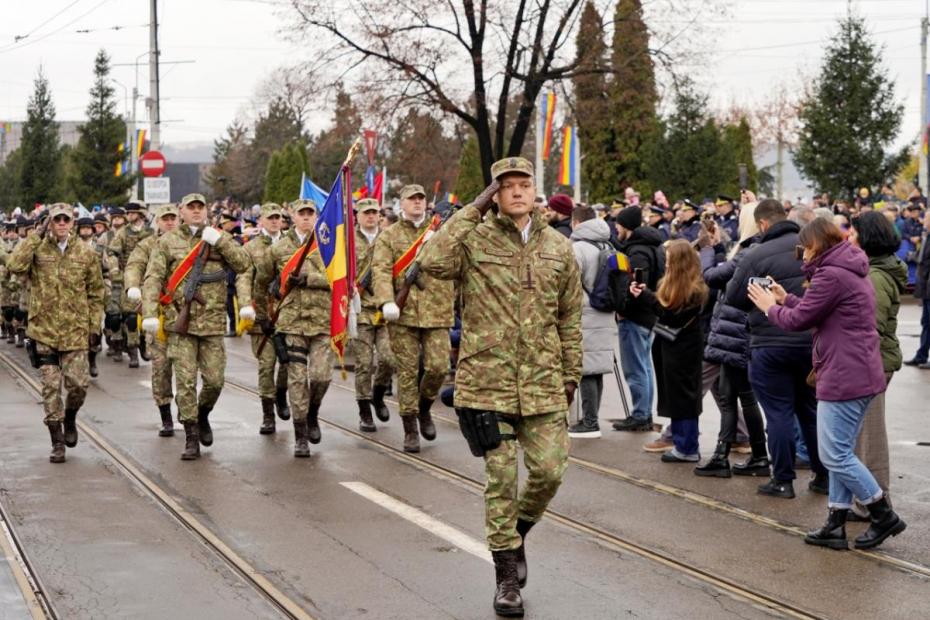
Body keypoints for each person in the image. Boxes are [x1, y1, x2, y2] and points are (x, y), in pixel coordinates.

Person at [419, 156, 582, 617]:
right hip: (486, 383)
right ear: (494, 193)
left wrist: (571, 374)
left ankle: (518, 531)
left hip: (543, 381)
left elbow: (570, 316)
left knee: (550, 471)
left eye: (523, 184)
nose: (516, 191)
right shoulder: (474, 238)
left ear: (535, 190)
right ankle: (506, 578)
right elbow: (432, 261)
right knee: (501, 480)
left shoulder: (558, 247)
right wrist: (472, 210)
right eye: (506, 186)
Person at [748, 218, 906, 550]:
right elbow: (816, 311)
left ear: (815, 245)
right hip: (859, 371)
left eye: (803, 247)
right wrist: (785, 299)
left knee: (834, 455)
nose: (801, 254)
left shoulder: (831, 275)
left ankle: (882, 512)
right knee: (841, 452)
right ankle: (835, 523)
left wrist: (769, 308)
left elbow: (800, 320)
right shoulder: (848, 270)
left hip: (844, 375)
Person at [726, 198, 828, 499]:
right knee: (810, 412)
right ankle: (823, 476)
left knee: (778, 413)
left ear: (762, 224)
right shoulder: (812, 247)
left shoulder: (756, 254)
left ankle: (783, 480)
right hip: (809, 342)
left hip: (769, 343)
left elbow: (734, 297)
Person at [141, 193, 251, 460]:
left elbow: (243, 264)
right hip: (181, 324)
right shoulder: (167, 241)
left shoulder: (219, 237)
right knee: (186, 382)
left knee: (214, 381)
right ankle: (191, 436)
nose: (196, 211)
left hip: (212, 323)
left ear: (206, 211)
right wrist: (150, 313)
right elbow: (153, 277)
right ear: (182, 211)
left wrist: (220, 241)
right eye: (191, 207)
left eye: (200, 207)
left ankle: (202, 414)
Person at [6, 203, 105, 463]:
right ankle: (57, 440)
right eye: (56, 220)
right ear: (49, 223)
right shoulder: (37, 248)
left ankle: (70, 417)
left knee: (78, 386)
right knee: (50, 387)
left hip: (75, 331)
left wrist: (95, 326)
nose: (61, 224)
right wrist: (35, 236)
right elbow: (14, 265)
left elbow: (96, 293)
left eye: (65, 220)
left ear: (72, 223)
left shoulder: (86, 252)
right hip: (44, 331)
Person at [372, 184, 454, 453]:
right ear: (402, 204)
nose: (417, 202)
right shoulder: (389, 235)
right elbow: (380, 270)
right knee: (407, 372)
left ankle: (425, 408)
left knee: (438, 367)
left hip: (437, 309)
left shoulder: (441, 231)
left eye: (421, 198)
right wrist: (386, 300)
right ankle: (410, 427)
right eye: (412, 199)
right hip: (403, 313)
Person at [695, 202, 769, 477]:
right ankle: (747, 454)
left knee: (735, 397)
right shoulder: (761, 249)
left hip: (733, 331)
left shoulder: (748, 252)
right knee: (737, 395)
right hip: (741, 331)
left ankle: (730, 456)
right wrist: (717, 248)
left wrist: (707, 250)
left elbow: (712, 277)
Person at [256, 199, 333, 458]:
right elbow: (261, 281)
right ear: (293, 217)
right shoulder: (279, 249)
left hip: (322, 321)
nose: (306, 217)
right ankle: (300, 435)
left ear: (317, 217)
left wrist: (310, 279)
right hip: (292, 324)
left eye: (310, 213)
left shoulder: (329, 244)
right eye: (302, 214)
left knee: (322, 377)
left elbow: (341, 279)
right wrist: (262, 315)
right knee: (297, 380)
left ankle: (313, 413)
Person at [848, 212, 907, 519]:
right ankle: (869, 501)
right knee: (863, 434)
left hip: (872, 363)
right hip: (874, 360)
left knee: (869, 436)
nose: (848, 237)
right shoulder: (875, 270)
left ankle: (876, 505)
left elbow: (870, 326)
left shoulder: (874, 277)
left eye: (853, 232)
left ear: (867, 238)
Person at [630, 240, 708, 462]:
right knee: (679, 396)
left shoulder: (692, 289)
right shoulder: (691, 285)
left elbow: (670, 314)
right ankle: (684, 443)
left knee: (683, 397)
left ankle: (687, 447)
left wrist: (646, 297)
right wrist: (647, 295)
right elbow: (667, 308)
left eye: (669, 260)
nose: (666, 264)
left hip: (682, 348)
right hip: (678, 346)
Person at [235, 202, 291, 435]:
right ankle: (268, 415)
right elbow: (243, 278)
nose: (275, 221)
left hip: (289, 314)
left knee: (289, 362)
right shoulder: (251, 248)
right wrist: (247, 306)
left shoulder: (292, 244)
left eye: (278, 217)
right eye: (270, 218)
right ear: (261, 221)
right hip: (262, 315)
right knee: (266, 366)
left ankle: (281, 393)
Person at [125, 204, 181, 437]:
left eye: (173, 218)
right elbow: (134, 266)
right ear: (157, 221)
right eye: (165, 219)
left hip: (185, 316)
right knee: (161, 368)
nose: (169, 222)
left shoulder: (188, 244)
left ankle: (188, 412)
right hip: (157, 315)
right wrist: (133, 287)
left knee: (186, 369)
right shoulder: (147, 245)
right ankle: (166, 415)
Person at [611, 206, 666, 432]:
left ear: (626, 226)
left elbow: (634, 286)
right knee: (645, 366)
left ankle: (641, 414)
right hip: (649, 315)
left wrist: (623, 307)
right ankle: (644, 412)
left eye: (619, 225)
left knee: (635, 369)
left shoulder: (637, 252)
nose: (616, 228)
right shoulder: (653, 246)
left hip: (635, 316)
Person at [568, 204, 615, 438]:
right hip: (605, 310)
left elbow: (569, 284)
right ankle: (591, 418)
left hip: (585, 312)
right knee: (596, 368)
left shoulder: (578, 248)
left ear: (576, 223)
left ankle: (589, 422)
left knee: (587, 368)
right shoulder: (607, 244)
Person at [351, 198, 396, 432]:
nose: (370, 217)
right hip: (360, 310)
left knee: (389, 359)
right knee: (364, 363)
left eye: (374, 213)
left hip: (384, 308)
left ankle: (378, 395)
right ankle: (364, 411)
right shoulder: (348, 241)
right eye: (366, 213)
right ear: (357, 216)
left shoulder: (388, 238)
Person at [108, 201, 153, 369]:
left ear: (139, 214)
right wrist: (114, 269)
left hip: (148, 278)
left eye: (132, 213)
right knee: (131, 317)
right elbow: (112, 252)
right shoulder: (123, 233)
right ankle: (133, 351)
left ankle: (144, 345)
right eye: (128, 213)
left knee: (148, 315)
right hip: (129, 278)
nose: (129, 216)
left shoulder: (150, 232)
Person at [905, 209, 930, 368]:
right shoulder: (926, 236)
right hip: (926, 289)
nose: (924, 220)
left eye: (926, 218)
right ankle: (921, 356)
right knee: (926, 323)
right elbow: (923, 259)